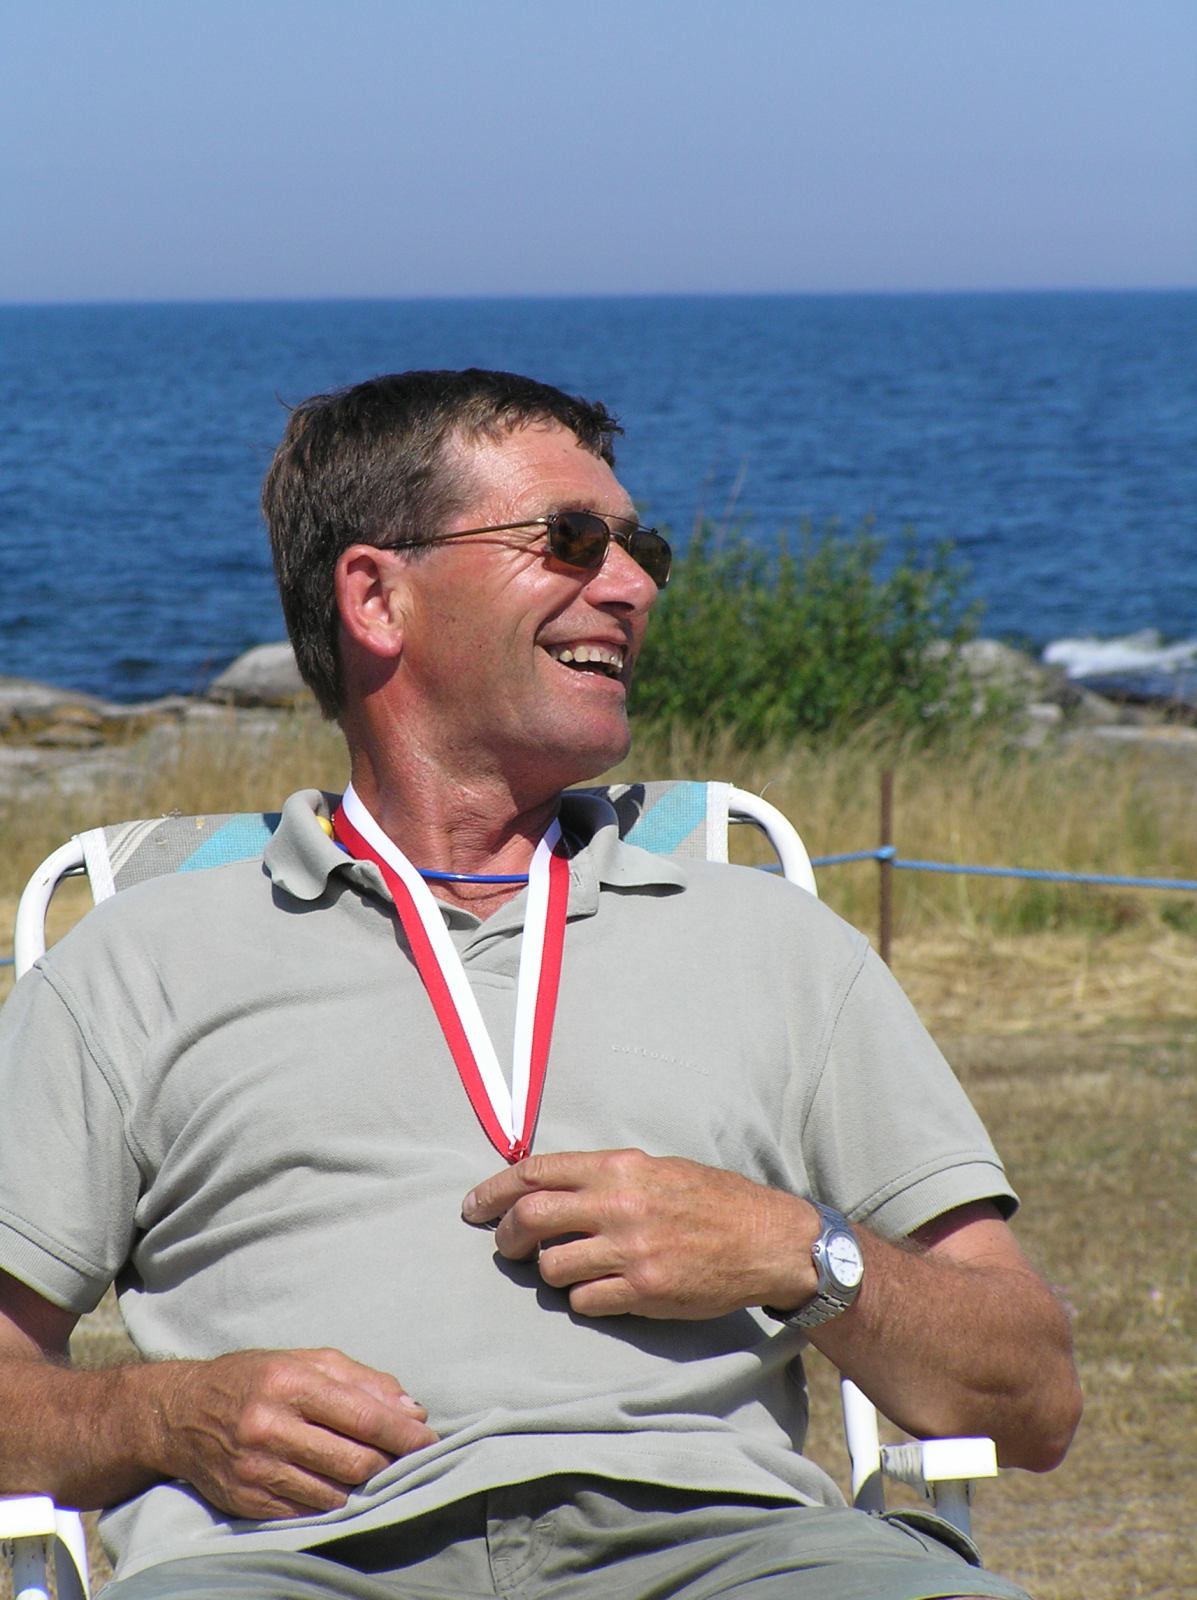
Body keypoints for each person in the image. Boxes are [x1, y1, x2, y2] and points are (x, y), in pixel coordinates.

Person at [0, 369, 1080, 1599]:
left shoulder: (778, 946)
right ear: (377, 597)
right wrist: (162, 1416)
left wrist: (803, 1251)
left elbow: (1033, 1395)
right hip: (297, 1562)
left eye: (640, 548)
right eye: (569, 539)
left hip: (727, 1554)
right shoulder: (135, 964)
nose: (631, 586)